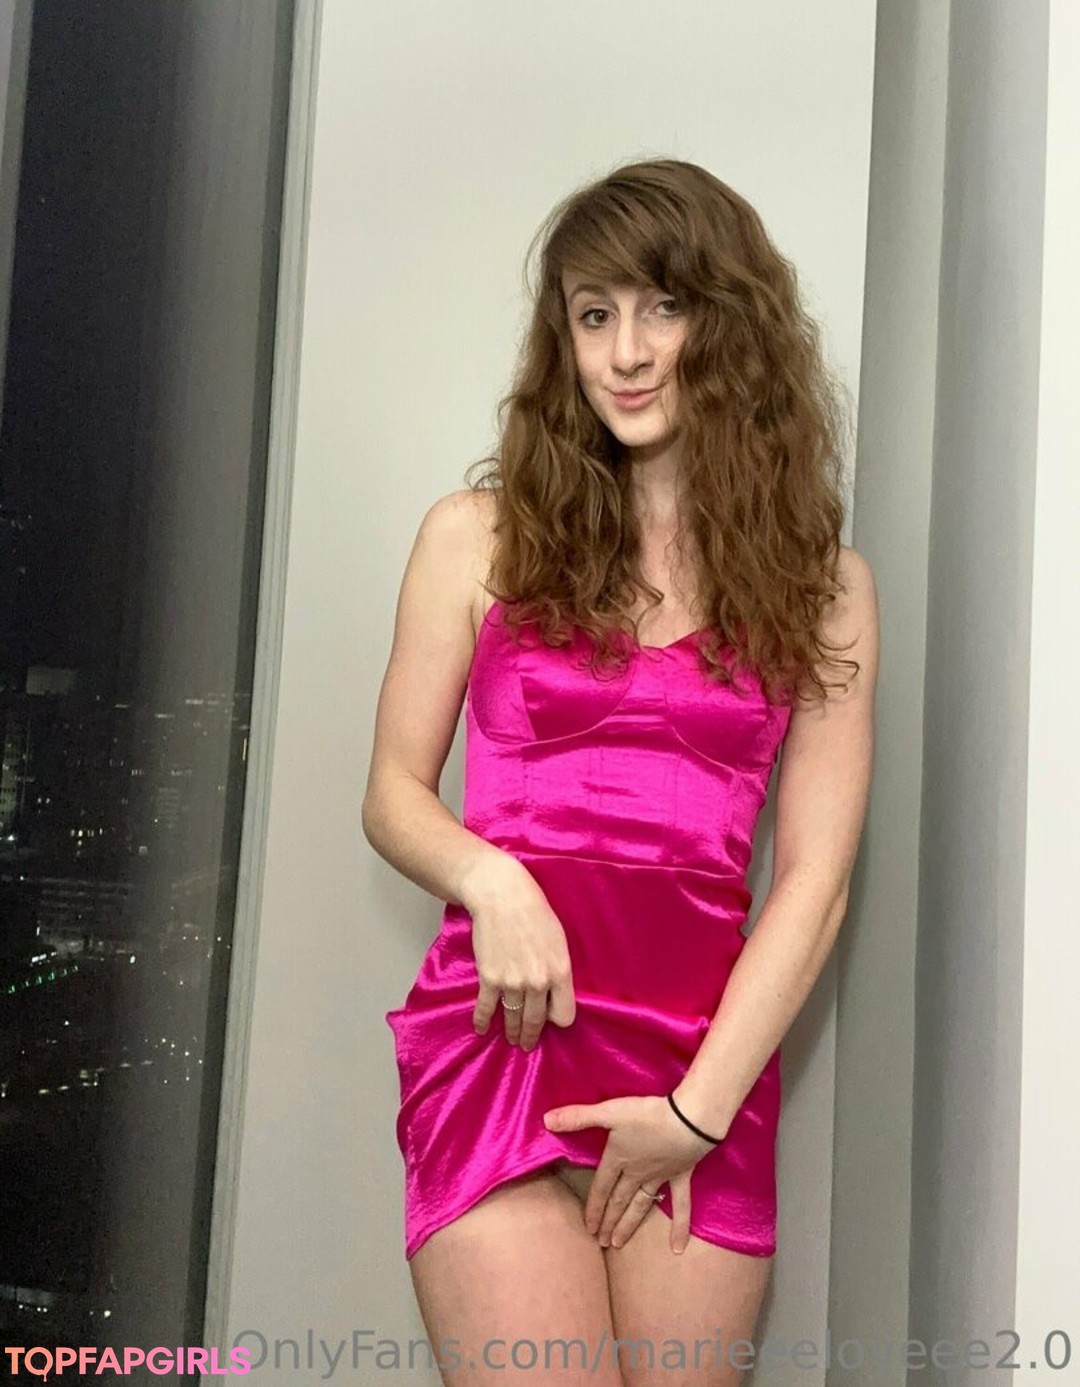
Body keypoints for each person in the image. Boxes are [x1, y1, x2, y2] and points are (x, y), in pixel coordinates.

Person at [363, 158, 878, 1387]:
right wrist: (493, 880)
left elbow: (815, 882)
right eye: (594, 315)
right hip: (501, 1048)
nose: (627, 353)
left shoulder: (826, 589)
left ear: (729, 325)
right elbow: (391, 793)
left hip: (703, 1073)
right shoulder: (475, 537)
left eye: (663, 308)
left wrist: (698, 1110)